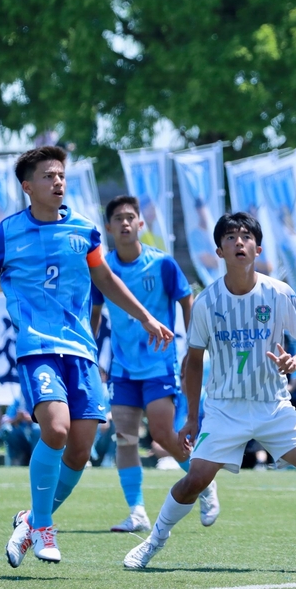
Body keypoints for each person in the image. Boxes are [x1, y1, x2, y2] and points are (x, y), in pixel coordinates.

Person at [0, 146, 174, 567]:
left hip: (81, 351)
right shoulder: (7, 232)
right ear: (28, 187)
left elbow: (106, 278)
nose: (58, 182)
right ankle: (43, 526)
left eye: (61, 175)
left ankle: (29, 520)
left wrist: (147, 317)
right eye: (48, 176)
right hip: (37, 348)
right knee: (57, 430)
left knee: (80, 450)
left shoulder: (83, 229)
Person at [124, 212, 296, 573]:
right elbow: (193, 362)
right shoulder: (207, 302)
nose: (238, 242)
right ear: (218, 250)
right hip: (225, 408)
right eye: (230, 237)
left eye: (245, 236)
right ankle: (152, 542)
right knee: (195, 480)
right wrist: (192, 416)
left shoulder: (279, 293)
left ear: (258, 247)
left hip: (274, 405)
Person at [90, 195, 219, 534]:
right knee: (125, 438)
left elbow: (187, 301)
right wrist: (89, 353)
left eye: (131, 217)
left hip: (160, 365)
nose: (125, 223)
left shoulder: (162, 264)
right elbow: (94, 315)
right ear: (108, 227)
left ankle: (203, 483)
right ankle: (136, 512)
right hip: (122, 368)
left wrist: (193, 351)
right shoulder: (103, 269)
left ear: (141, 224)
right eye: (118, 218)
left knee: (163, 433)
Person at [0, 392, 42, 466]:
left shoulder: (40, 399)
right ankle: (15, 460)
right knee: (8, 430)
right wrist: (17, 419)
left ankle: (36, 462)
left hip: (36, 438)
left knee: (37, 429)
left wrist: (30, 419)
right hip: (21, 439)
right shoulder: (18, 400)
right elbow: (5, 420)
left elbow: (47, 421)